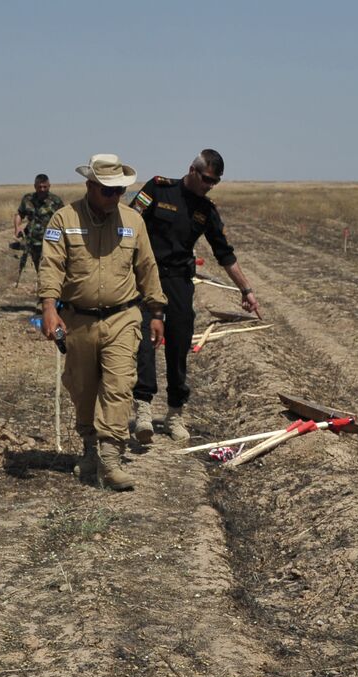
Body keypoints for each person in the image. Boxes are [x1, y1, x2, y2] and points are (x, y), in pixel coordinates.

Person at [38, 154, 166, 491]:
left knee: (119, 384)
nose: (115, 197)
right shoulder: (63, 219)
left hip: (123, 316)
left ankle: (111, 460)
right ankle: (89, 450)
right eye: (108, 191)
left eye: (120, 191)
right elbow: (50, 265)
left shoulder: (133, 222)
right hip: (78, 319)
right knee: (82, 387)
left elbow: (148, 267)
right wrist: (49, 307)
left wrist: (156, 312)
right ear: (90, 186)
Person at [129, 149, 261, 444]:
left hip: (178, 282)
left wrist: (246, 290)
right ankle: (144, 411)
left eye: (215, 182)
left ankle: (175, 413)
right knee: (146, 343)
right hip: (146, 277)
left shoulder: (206, 210)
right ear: (192, 170)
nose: (209, 185)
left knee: (178, 344)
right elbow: (128, 223)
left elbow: (225, 254)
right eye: (206, 179)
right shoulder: (157, 188)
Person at [14, 174, 65, 274]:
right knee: (38, 267)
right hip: (33, 242)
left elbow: (64, 219)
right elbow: (19, 214)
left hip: (51, 241)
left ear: (49, 186)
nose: (42, 189)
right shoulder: (28, 199)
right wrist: (17, 227)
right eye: (39, 187)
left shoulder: (56, 201)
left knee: (49, 268)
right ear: (35, 186)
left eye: (44, 187)